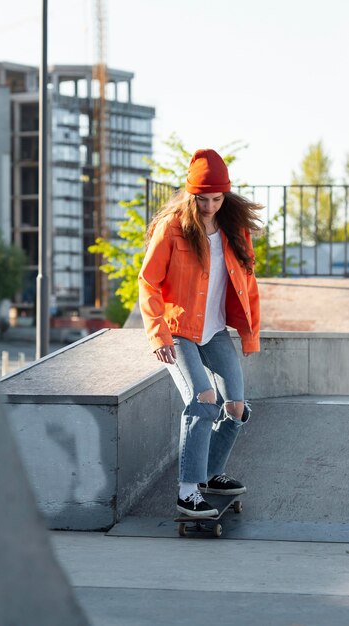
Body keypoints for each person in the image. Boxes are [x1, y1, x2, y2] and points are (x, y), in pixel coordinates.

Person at [138, 148, 262, 518]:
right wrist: (158, 335)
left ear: (226, 196)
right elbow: (148, 281)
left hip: (214, 332)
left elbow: (248, 284)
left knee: (236, 408)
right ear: (191, 196)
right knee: (204, 400)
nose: (210, 207)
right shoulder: (173, 227)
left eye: (217, 199)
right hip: (178, 330)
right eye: (203, 200)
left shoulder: (234, 230)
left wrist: (250, 334)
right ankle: (188, 491)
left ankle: (209, 474)